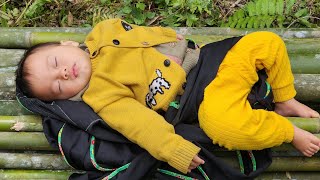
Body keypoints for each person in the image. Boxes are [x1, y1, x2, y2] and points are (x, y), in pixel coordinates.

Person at [15, 18, 320, 174]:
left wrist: (167, 37)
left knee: (265, 42)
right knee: (221, 125)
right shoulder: (101, 96)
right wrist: (175, 151)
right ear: (67, 99)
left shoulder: (103, 31)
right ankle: (286, 131)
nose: (63, 74)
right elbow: (142, 126)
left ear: (66, 44)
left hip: (207, 60)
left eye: (56, 63)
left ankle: (284, 97)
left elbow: (138, 31)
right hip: (199, 98)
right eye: (57, 87)